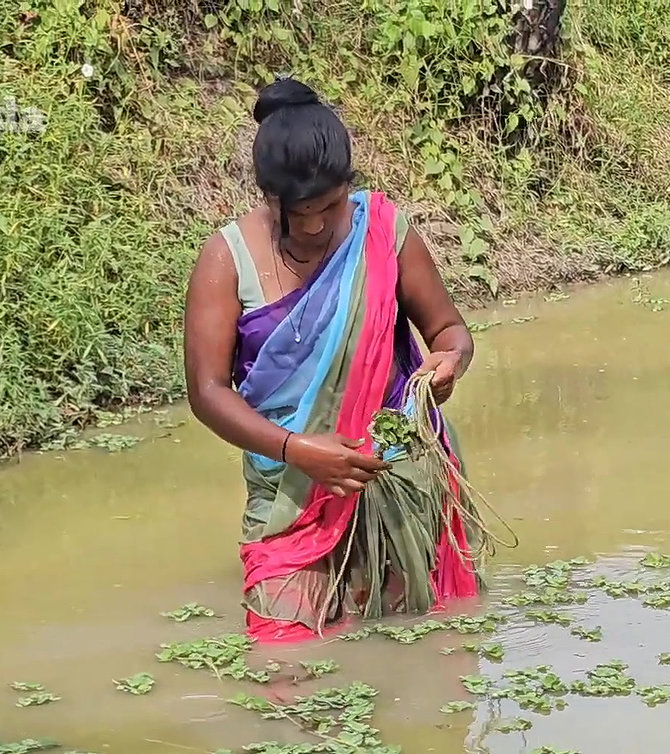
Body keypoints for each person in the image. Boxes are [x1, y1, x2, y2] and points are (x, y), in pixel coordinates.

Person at [183, 77, 485, 643]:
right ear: (270, 197)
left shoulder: (383, 230)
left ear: (349, 185)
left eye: (330, 205)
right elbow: (207, 390)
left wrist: (449, 361)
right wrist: (298, 450)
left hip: (397, 478)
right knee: (282, 662)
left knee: (429, 656)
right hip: (289, 492)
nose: (319, 225)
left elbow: (448, 329)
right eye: (301, 214)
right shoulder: (227, 258)